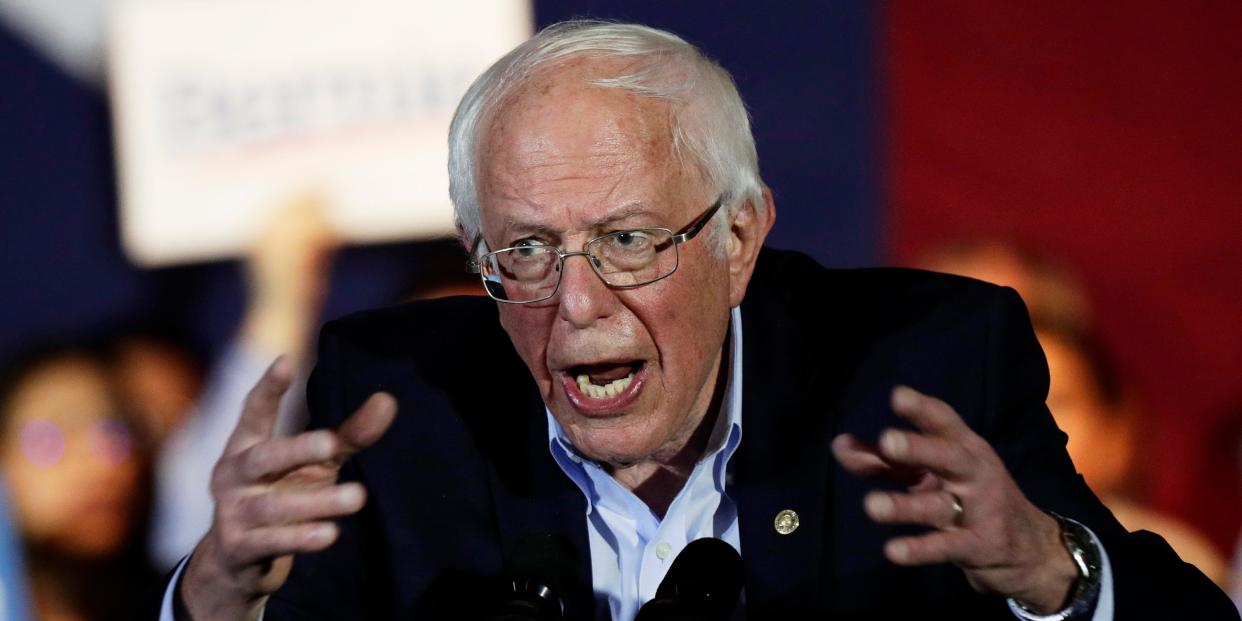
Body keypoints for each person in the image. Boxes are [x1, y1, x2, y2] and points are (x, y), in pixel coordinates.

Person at [162, 21, 1236, 620]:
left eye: (628, 240)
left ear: (740, 238)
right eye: (524, 251)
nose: (574, 304)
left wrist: (1054, 572)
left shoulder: (923, 367)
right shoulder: (398, 404)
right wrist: (211, 594)